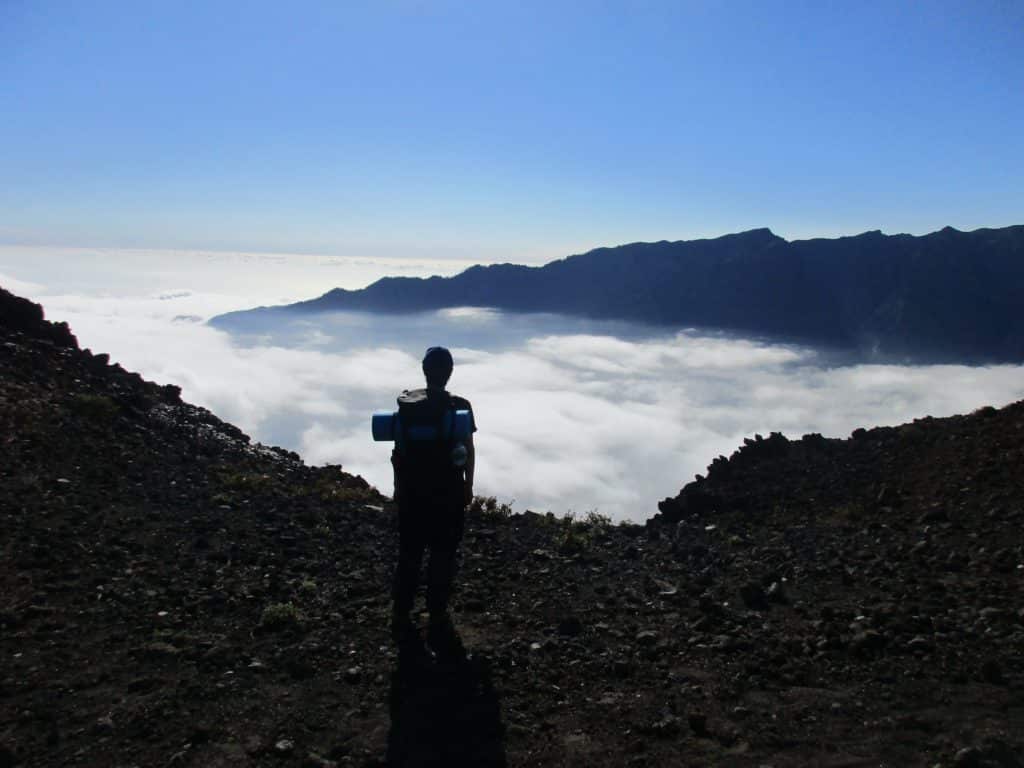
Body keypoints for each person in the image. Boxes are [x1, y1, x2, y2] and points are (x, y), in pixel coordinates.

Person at [390, 346, 476, 645]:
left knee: (410, 554)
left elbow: (398, 453)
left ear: (425, 371)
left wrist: (399, 488)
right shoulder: (460, 406)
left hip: (413, 492)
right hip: (448, 493)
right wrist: (468, 486)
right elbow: (468, 449)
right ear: (449, 372)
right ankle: (437, 613)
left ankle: (401, 613)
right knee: (443, 554)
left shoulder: (407, 405)